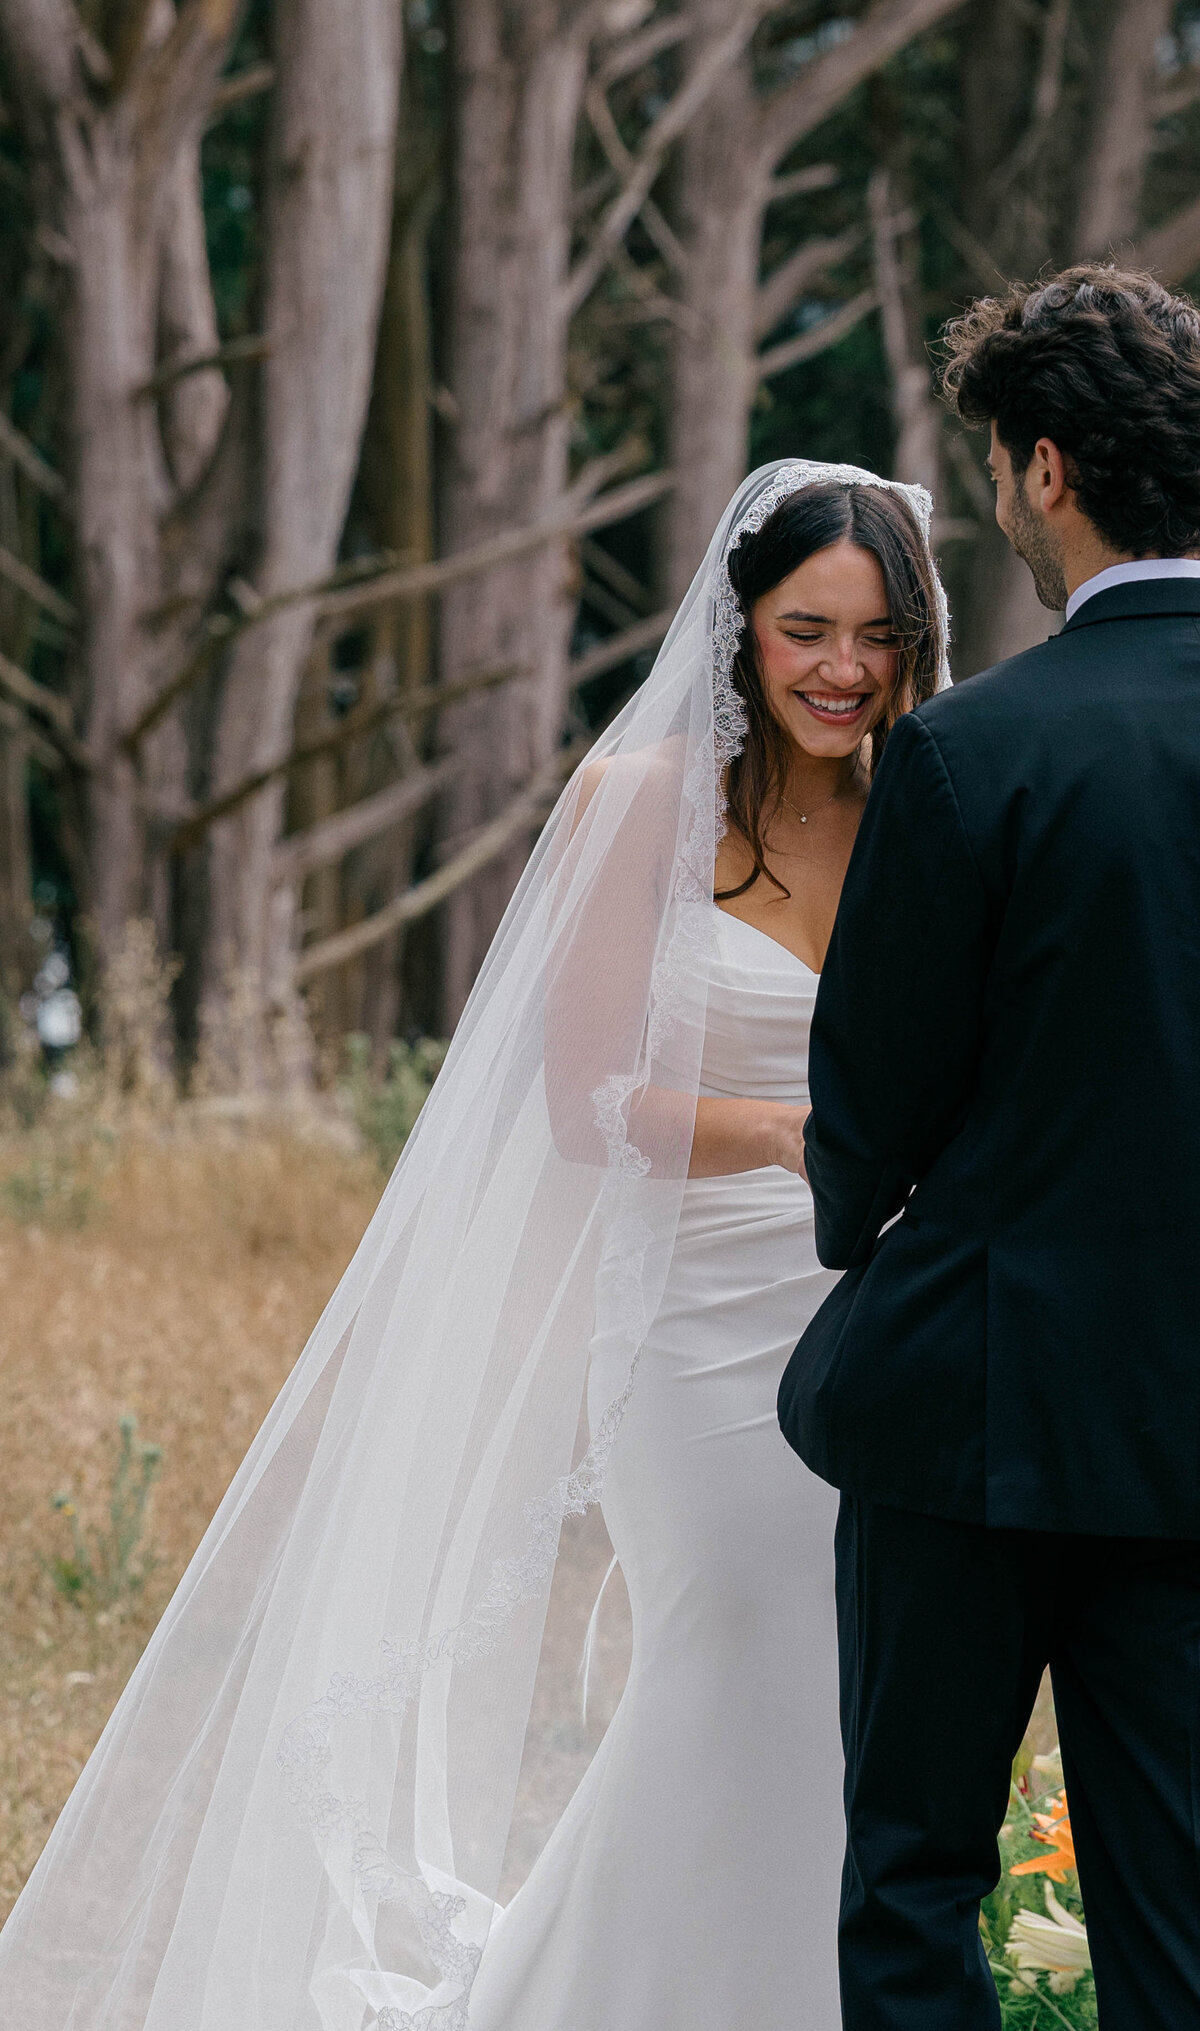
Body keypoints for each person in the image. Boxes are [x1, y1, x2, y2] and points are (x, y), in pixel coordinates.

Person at [0, 460, 947, 2031]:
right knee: (725, 1655)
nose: (842, 670)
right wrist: (789, 1135)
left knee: (842, 1694)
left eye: (875, 634)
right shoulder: (639, 803)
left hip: (870, 1317)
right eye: (804, 630)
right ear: (740, 629)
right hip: (699, 1326)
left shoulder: (919, 807)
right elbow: (586, 1103)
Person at [779, 265, 1200, 2031]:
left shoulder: (967, 754)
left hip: (973, 1418)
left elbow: (867, 1119)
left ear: (1042, 471)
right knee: (1182, 1916)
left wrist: (855, 1216)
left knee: (914, 1881)